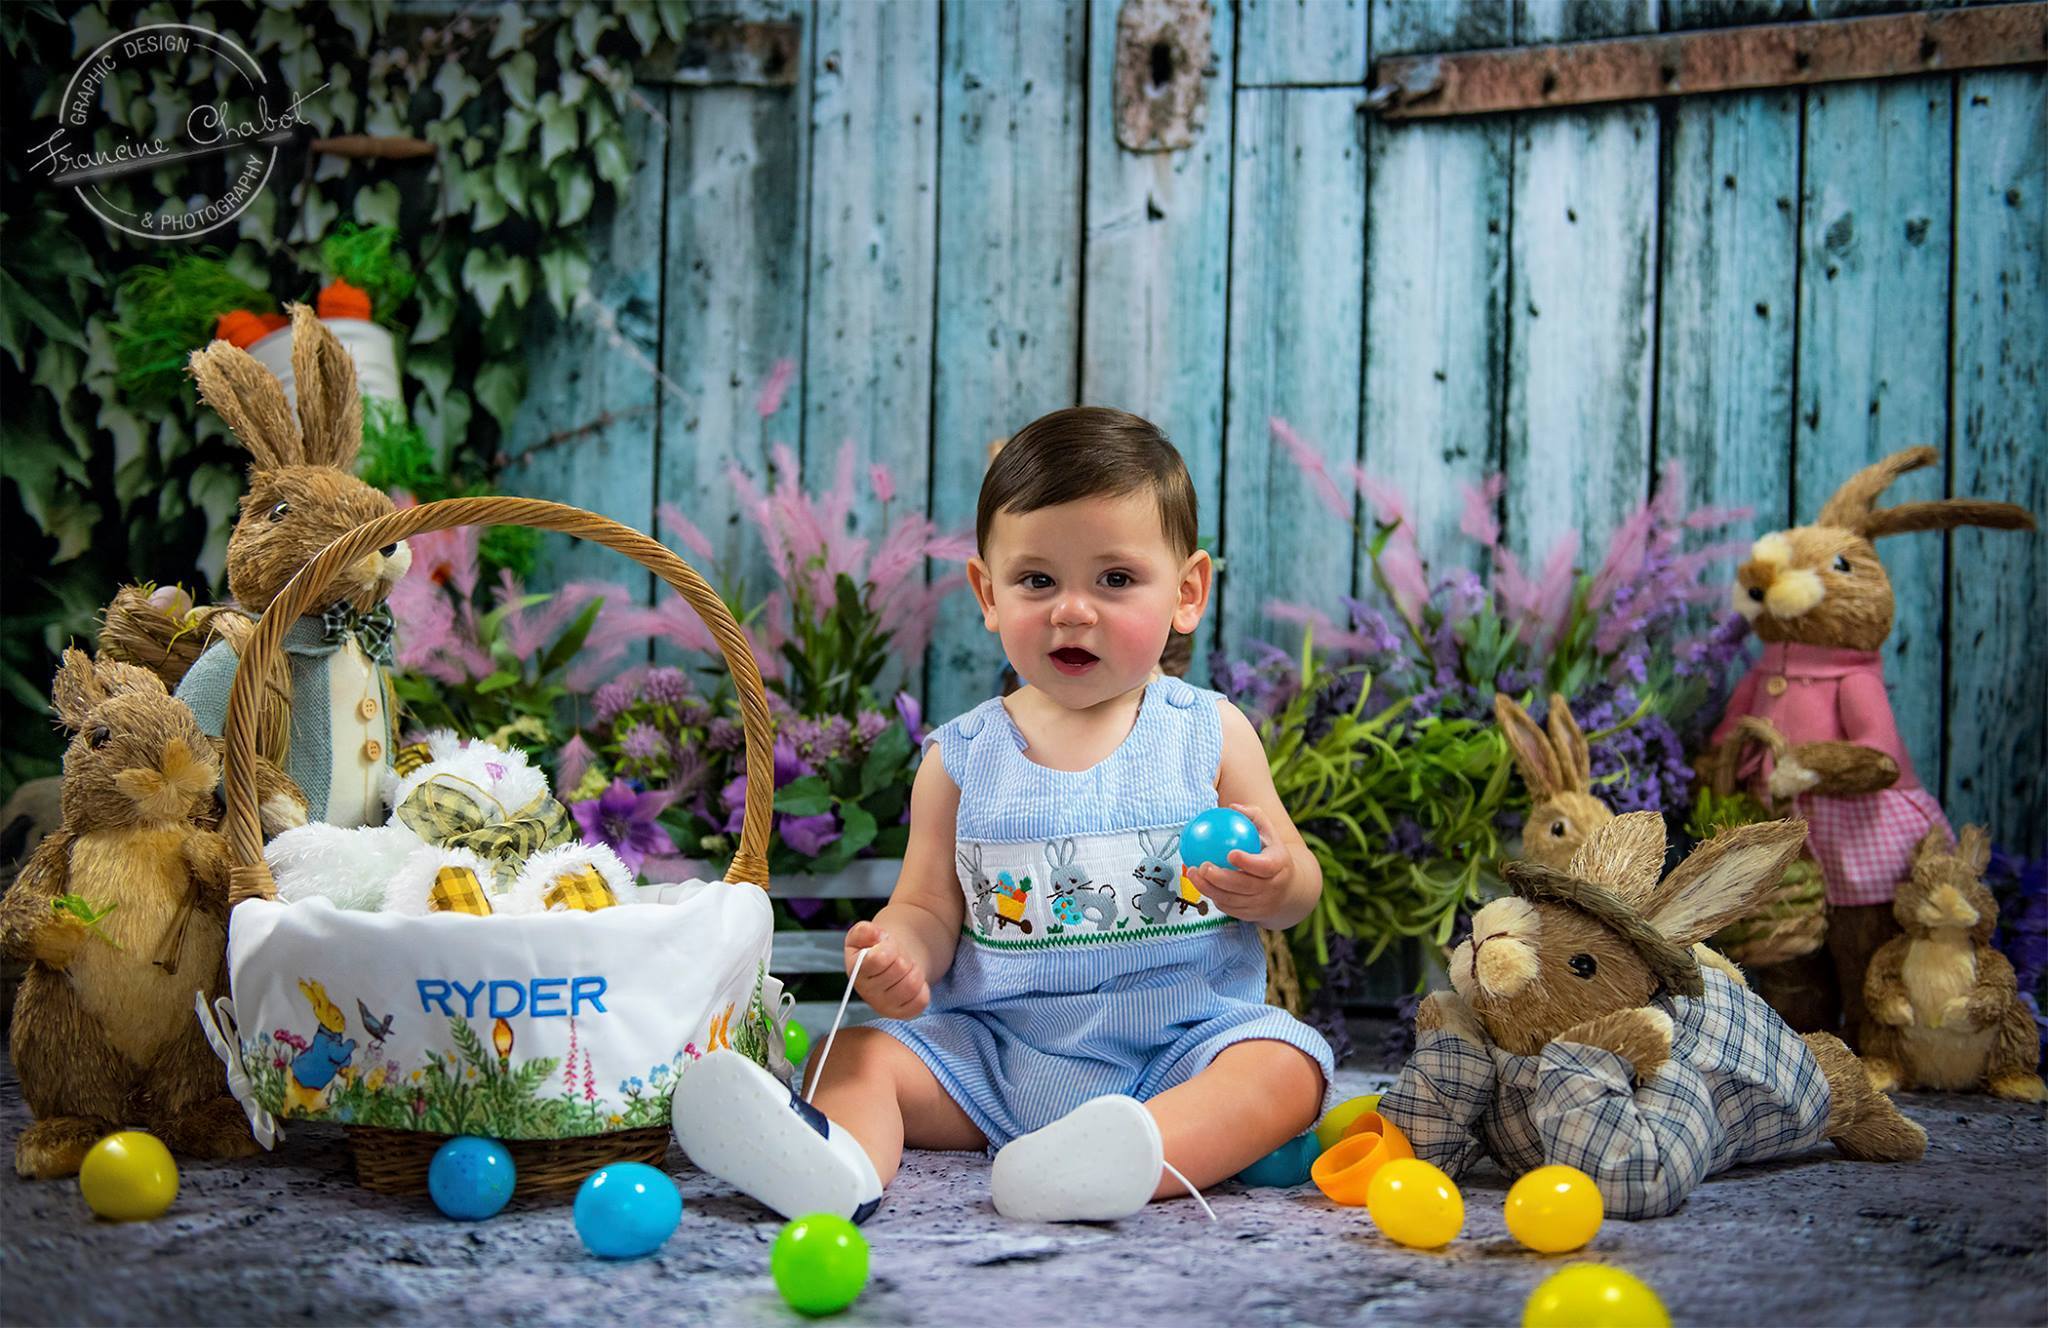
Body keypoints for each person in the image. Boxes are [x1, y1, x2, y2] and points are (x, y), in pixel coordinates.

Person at [673, 407, 1334, 1223]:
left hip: (1179, 1050)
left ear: (1187, 592)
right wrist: (901, 956)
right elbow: (924, 908)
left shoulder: (1209, 732)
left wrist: (1273, 885)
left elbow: (1301, 884)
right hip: (994, 1058)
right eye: (1037, 580)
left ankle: (1126, 1159)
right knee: (854, 1056)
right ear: (988, 593)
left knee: (1285, 1067)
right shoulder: (960, 759)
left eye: (1116, 580)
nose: (1072, 610)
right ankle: (835, 1168)